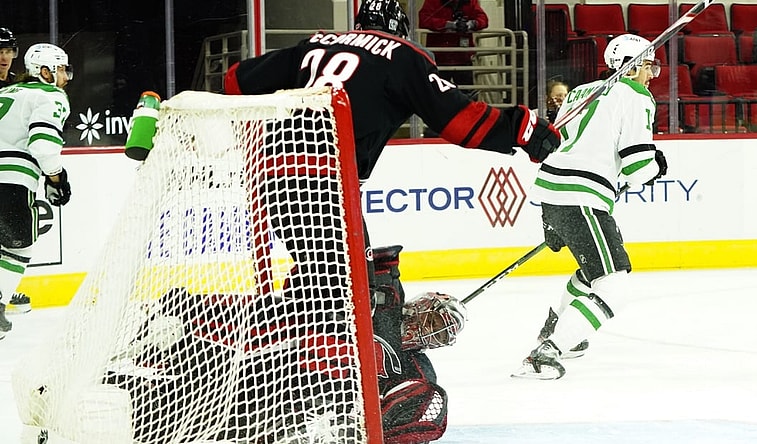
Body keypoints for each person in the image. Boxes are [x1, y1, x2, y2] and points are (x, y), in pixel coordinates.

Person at [224, 0, 559, 439]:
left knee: (325, 282)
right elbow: (461, 121)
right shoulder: (402, 55)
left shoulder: (316, 43)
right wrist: (525, 130)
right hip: (327, 181)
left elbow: (235, 81)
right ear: (401, 27)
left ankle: (292, 376)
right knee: (338, 291)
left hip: (270, 177)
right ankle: (309, 398)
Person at [511, 34, 668, 380]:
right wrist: (656, 165)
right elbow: (638, 168)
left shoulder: (581, 91)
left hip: (551, 194)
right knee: (614, 285)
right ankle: (546, 353)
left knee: (590, 270)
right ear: (631, 67)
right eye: (648, 66)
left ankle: (556, 330)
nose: (650, 75)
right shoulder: (635, 95)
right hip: (581, 197)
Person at [0, 43, 73, 339]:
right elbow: (43, 145)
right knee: (19, 243)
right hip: (11, 181)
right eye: (61, 70)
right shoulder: (50, 94)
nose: (66, 77)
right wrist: (56, 177)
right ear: (44, 72)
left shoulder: (4, 92)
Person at [0, 27, 34, 314]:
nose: (4, 57)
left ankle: (3, 289)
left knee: (12, 234)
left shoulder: (19, 87)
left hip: (9, 171)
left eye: (8, 51)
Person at [418, 0, 489, 89]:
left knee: (467, 93)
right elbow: (424, 19)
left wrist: (472, 24)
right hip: (440, 57)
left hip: (462, 57)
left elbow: (483, 18)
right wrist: (449, 25)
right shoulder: (434, 1)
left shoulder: (470, 2)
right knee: (439, 93)